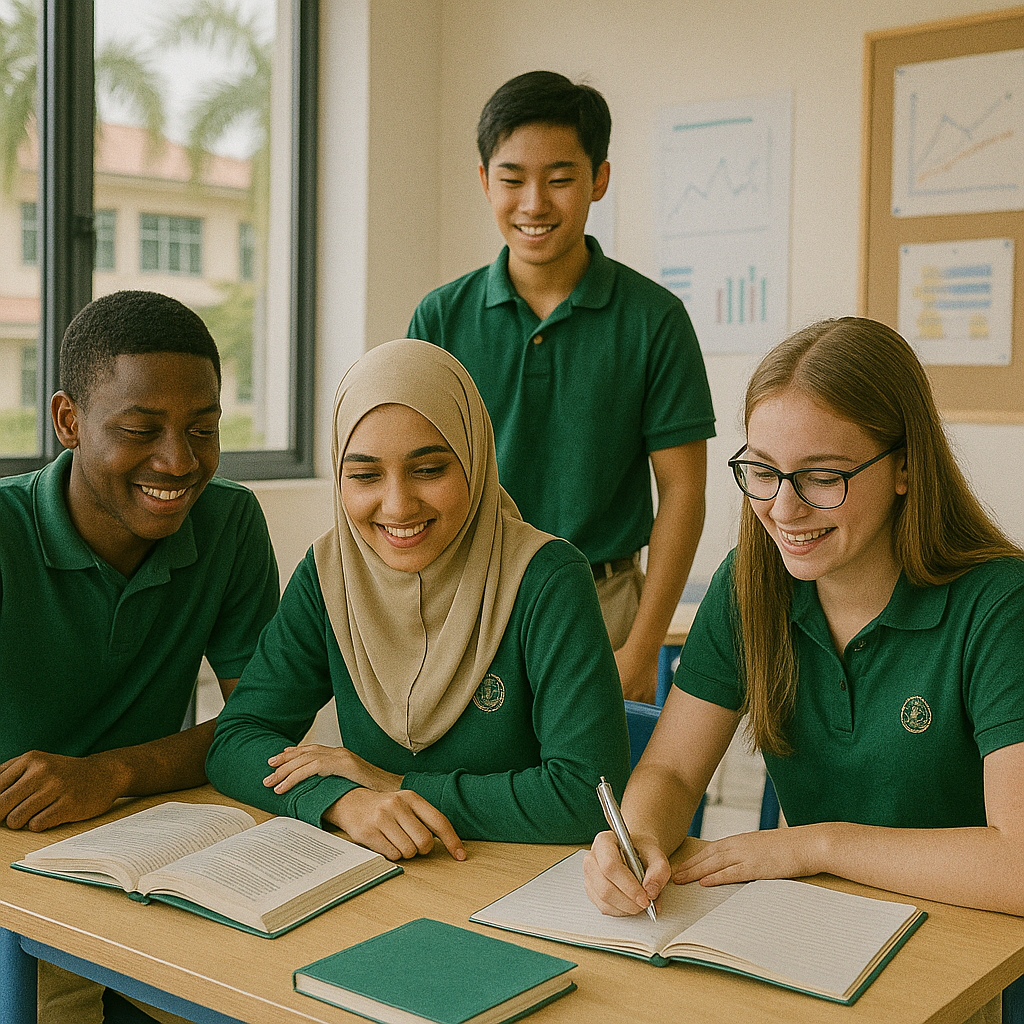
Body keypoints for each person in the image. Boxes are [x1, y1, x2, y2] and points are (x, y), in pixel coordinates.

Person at [584, 318, 1024, 932]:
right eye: (763, 472)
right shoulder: (750, 584)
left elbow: (1017, 863)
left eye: (822, 476)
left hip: (976, 955)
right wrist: (639, 839)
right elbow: (674, 771)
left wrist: (813, 845)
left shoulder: (1001, 604)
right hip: (821, 932)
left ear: (905, 468)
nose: (783, 509)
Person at [207, 339, 630, 859]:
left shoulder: (546, 578)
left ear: (474, 460)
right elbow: (237, 740)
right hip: (383, 880)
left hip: (522, 883)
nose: (398, 505)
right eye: (364, 475)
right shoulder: (328, 576)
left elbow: (589, 797)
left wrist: (392, 784)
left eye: (429, 470)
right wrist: (343, 802)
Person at [0, 289, 280, 1023]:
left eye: (203, 429)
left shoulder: (230, 523)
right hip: (17, 866)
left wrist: (113, 773)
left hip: (162, 848)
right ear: (68, 421)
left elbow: (261, 724)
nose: (179, 461)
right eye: (139, 429)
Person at [408, 70, 715, 703]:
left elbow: (683, 492)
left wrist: (643, 647)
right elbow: (410, 480)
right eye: (512, 179)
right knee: (464, 798)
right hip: (467, 601)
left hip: (603, 608)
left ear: (599, 179)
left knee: (597, 801)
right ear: (485, 180)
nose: (534, 204)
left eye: (560, 179)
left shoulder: (654, 320)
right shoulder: (439, 318)